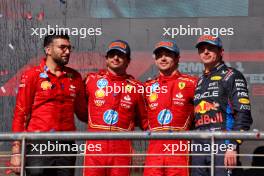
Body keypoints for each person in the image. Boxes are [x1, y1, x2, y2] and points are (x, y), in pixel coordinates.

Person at [10, 32, 87, 176]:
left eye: (69, 48)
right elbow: (21, 114)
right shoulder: (32, 75)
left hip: (67, 145)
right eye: (62, 47)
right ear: (48, 50)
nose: (67, 51)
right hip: (38, 144)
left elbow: (84, 114)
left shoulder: (75, 77)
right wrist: (16, 151)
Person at [83, 40, 148, 176]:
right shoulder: (91, 80)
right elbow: (79, 108)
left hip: (122, 148)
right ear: (106, 59)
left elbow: (145, 121)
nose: (116, 58)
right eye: (112, 55)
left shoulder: (137, 87)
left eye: (120, 55)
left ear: (128, 61)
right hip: (95, 147)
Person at [191, 35, 253, 176]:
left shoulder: (232, 75)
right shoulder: (199, 81)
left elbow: (243, 114)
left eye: (211, 48)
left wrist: (232, 145)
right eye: (202, 49)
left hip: (222, 144)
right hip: (199, 145)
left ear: (221, 52)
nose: (206, 52)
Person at [143, 40, 197, 176]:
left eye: (167, 54)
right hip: (154, 148)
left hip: (179, 148)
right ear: (155, 60)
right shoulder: (147, 86)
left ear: (177, 58)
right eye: (159, 55)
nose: (163, 58)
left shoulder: (191, 83)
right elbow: (142, 117)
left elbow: (201, 114)